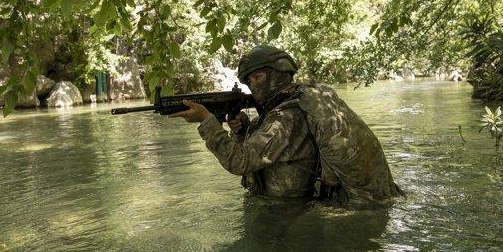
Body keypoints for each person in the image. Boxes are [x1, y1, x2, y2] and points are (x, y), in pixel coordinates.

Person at [171, 45, 402, 203]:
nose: (253, 84)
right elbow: (254, 158)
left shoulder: (285, 118)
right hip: (280, 209)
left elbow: (239, 162)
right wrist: (241, 130)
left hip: (288, 217)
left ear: (279, 73)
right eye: (249, 80)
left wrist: (206, 121)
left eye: (258, 77)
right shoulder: (289, 107)